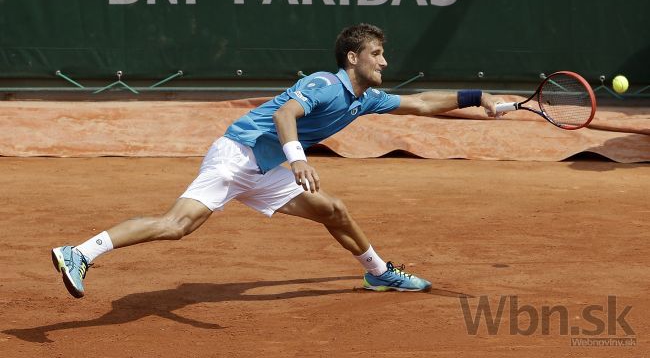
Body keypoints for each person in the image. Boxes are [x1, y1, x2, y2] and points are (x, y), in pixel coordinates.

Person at [52, 23, 503, 298]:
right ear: (353, 58)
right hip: (240, 156)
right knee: (176, 226)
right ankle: (80, 252)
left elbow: (423, 104)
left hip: (266, 169)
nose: (385, 61)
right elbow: (287, 113)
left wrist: (479, 96)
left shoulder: (366, 98)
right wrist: (297, 160)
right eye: (377, 54)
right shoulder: (327, 83)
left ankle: (380, 274)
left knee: (334, 209)